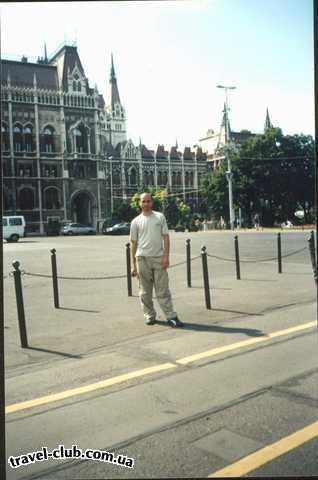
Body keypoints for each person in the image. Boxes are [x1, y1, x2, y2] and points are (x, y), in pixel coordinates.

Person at [130, 192, 183, 328]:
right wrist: (133, 265)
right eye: (143, 201)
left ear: (152, 203)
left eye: (148, 201)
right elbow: (133, 243)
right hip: (142, 259)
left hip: (158, 258)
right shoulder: (135, 221)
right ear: (139, 203)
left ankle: (171, 316)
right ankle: (149, 315)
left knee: (163, 290)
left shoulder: (159, 217)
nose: (146, 203)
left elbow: (166, 237)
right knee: (144, 291)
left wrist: (166, 257)